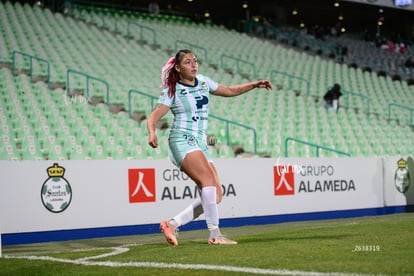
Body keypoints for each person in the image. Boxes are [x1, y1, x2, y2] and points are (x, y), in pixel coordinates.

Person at [147, 49, 273, 246]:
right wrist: (152, 132)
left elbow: (230, 90)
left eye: (195, 61)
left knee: (216, 194)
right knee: (207, 180)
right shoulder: (172, 90)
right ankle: (215, 235)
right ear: (178, 68)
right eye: (188, 62)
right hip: (181, 139)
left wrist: (254, 84)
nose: (194, 65)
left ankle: (172, 224)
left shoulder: (203, 82)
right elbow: (154, 116)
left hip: (200, 142)